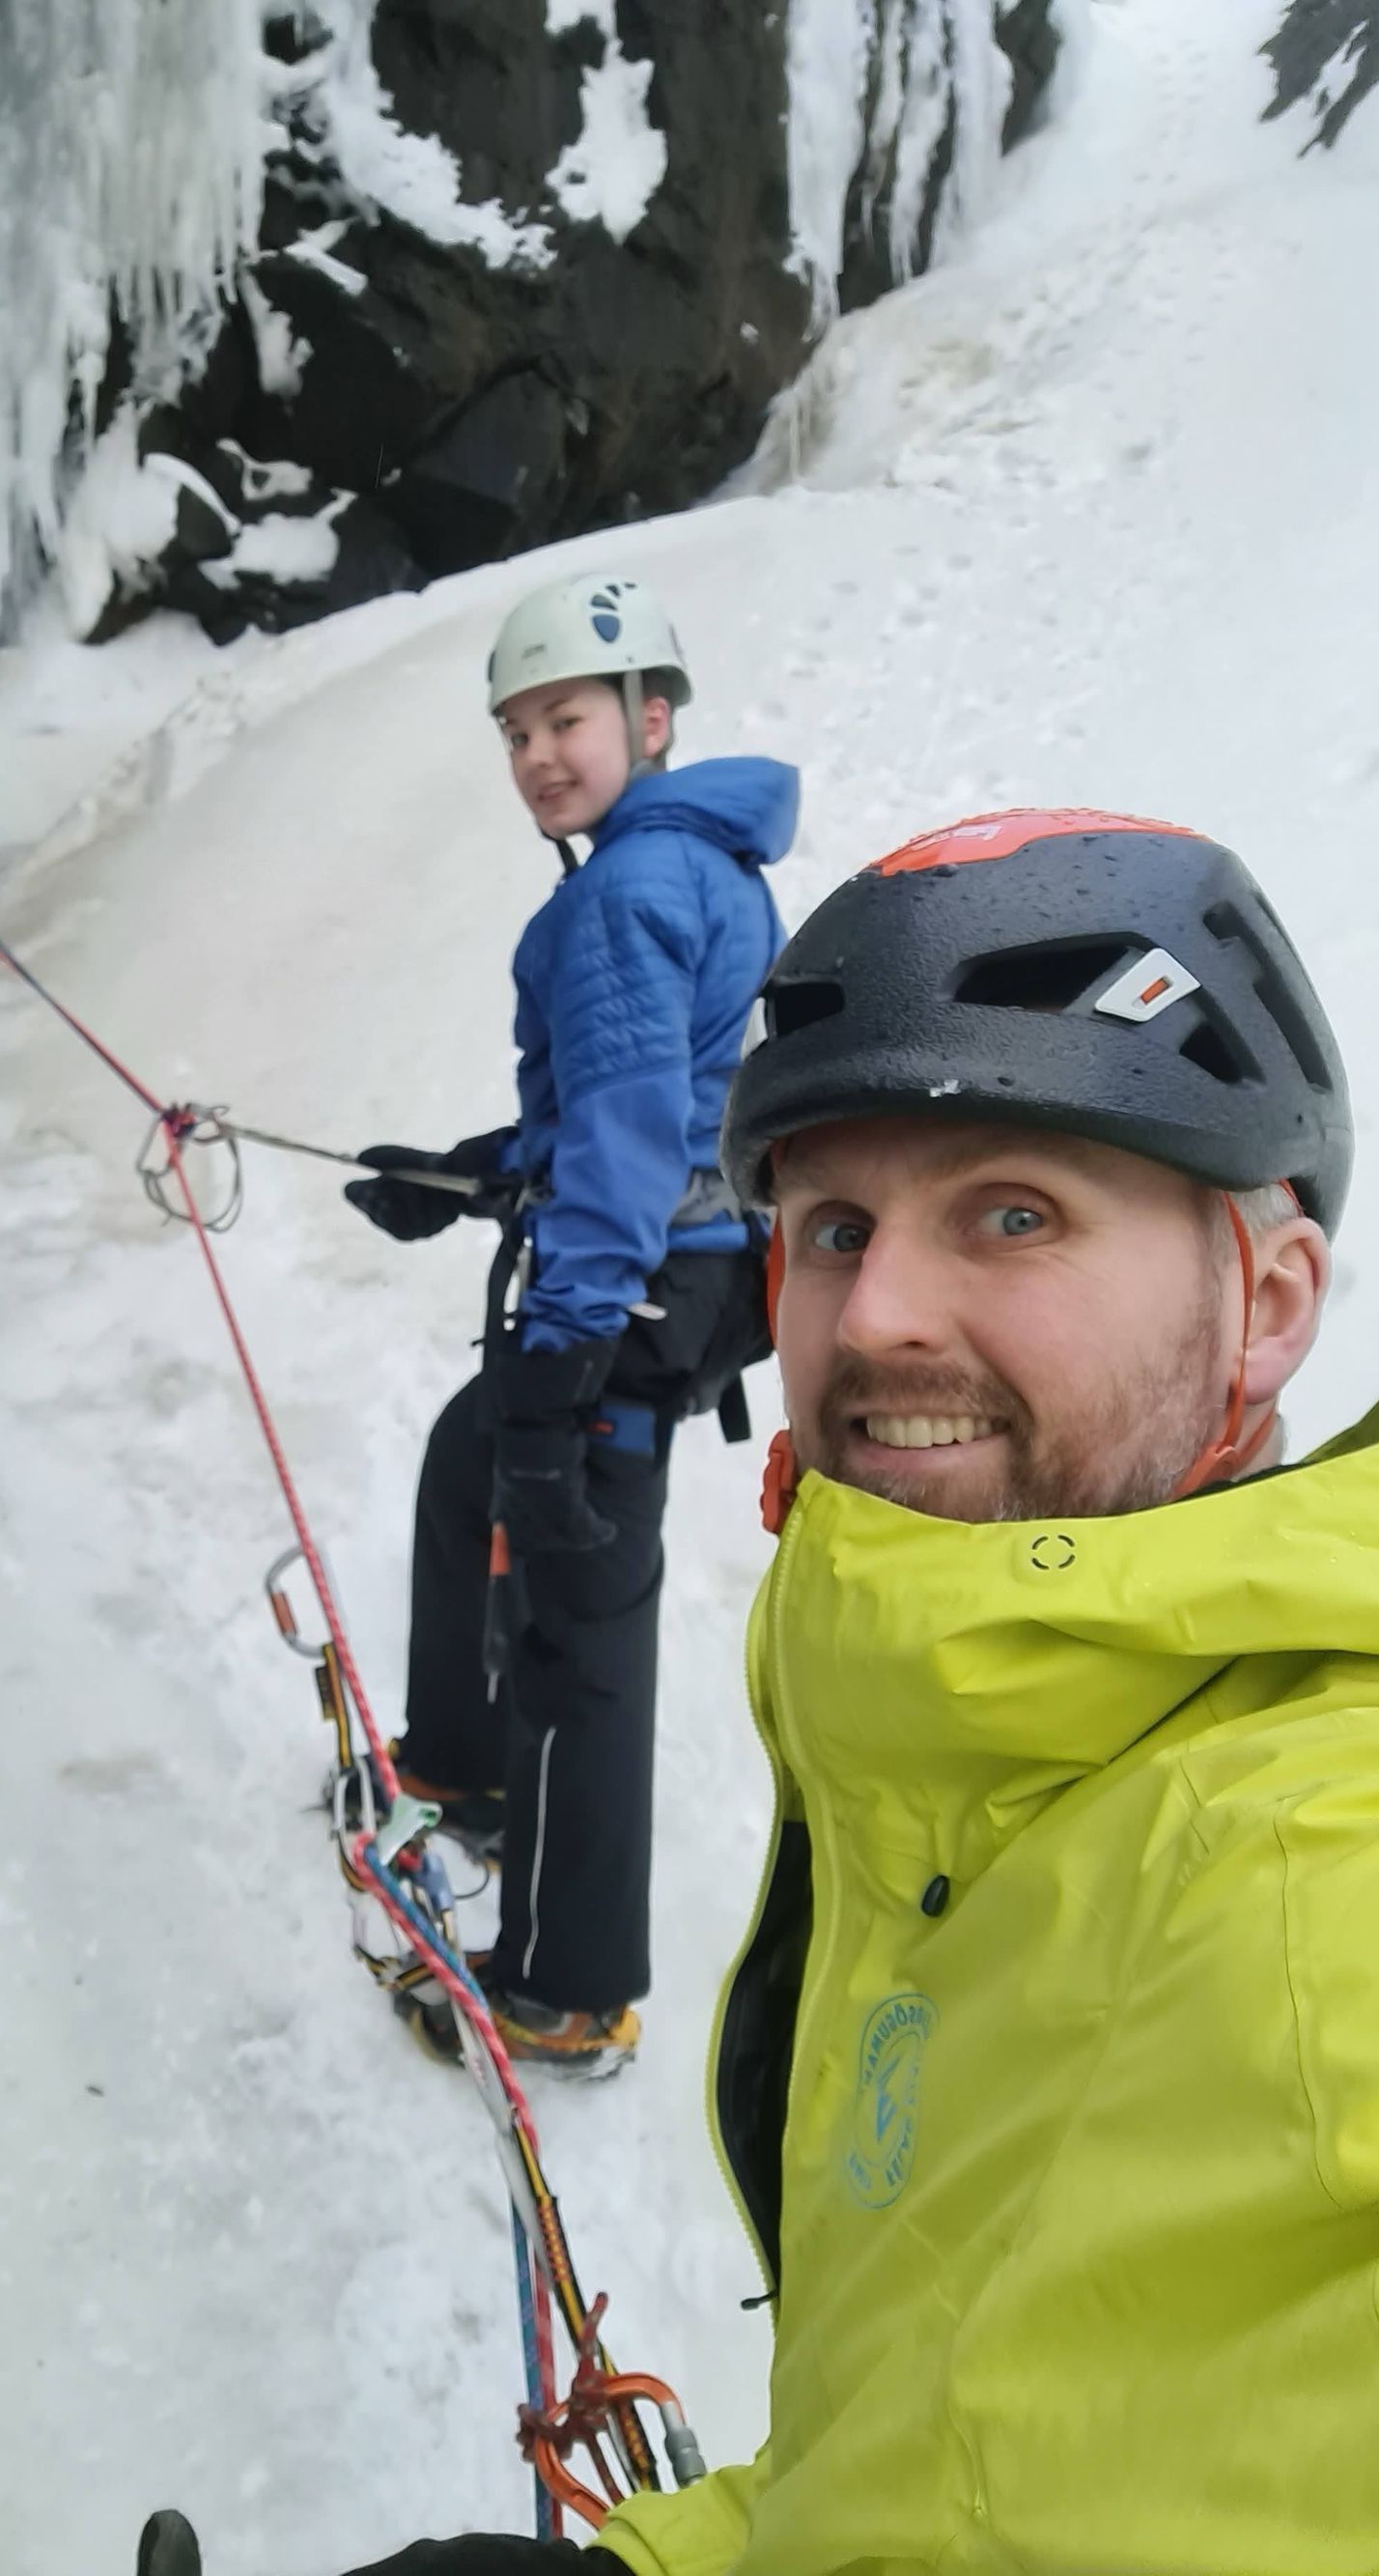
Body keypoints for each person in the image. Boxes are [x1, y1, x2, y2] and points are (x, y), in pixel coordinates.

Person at [246, 807, 1377, 2570]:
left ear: (1272, 1299)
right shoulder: (966, 1750)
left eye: (1015, 1211)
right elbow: (934, 2467)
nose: (874, 1321)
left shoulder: (1322, 1884)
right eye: (836, 1226)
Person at [344, 571, 800, 2074]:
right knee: (476, 1456)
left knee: (574, 1610)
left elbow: (619, 1140)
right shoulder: (686, 865)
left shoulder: (625, 891)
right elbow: (650, 1106)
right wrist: (483, 1168)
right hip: (691, 1273)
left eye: (569, 720)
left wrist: (564, 1358)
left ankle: (563, 1979)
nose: (540, 754)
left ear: (649, 719)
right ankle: (466, 1772)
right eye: (517, 731)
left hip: (640, 1297)